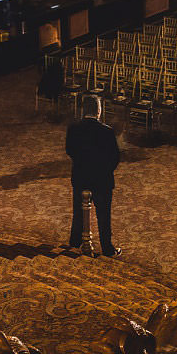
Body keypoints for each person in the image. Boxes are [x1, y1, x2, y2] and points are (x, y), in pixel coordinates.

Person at [65, 95, 121, 257]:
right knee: (104, 215)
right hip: (101, 180)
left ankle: (75, 241)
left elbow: (70, 151)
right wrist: (104, 171)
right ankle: (107, 248)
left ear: (83, 110)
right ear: (98, 110)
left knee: (78, 211)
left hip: (80, 177)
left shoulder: (73, 128)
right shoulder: (106, 131)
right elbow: (114, 157)